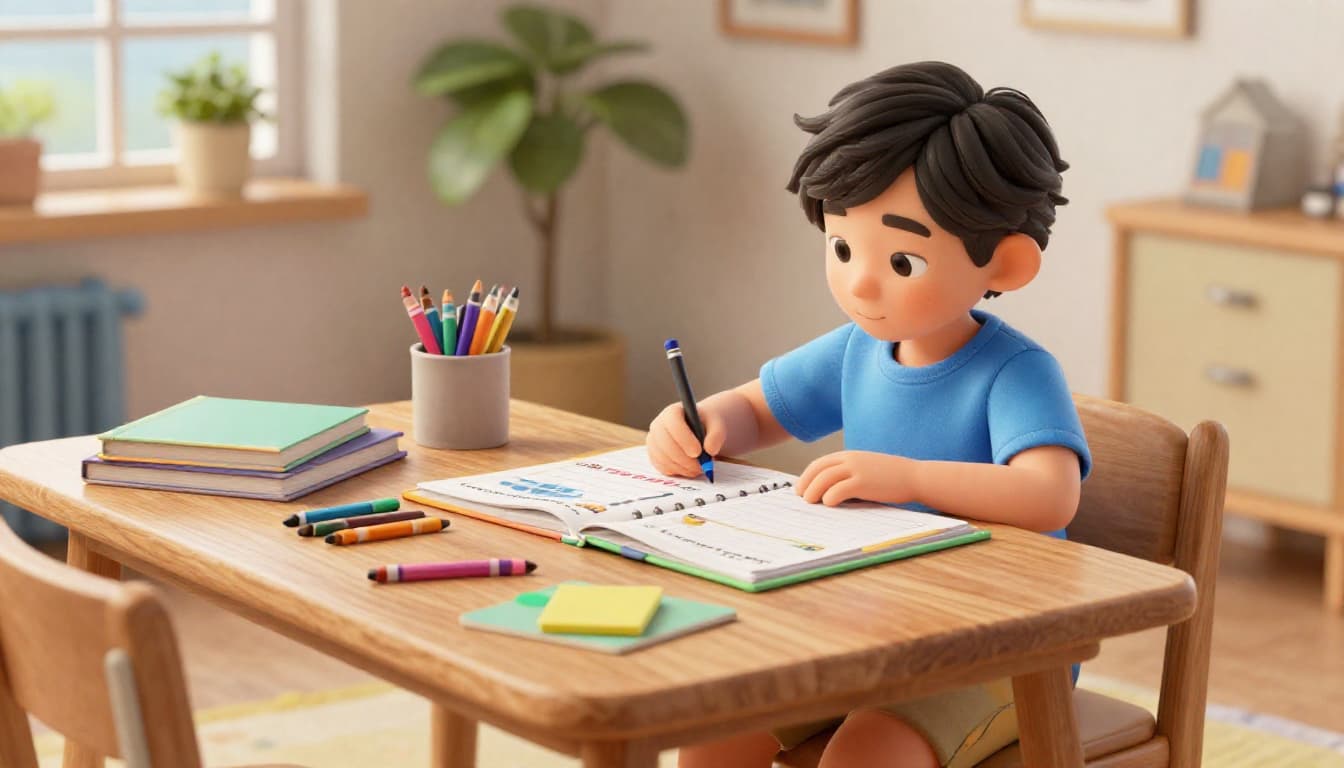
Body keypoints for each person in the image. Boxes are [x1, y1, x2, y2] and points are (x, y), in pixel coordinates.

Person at [648, 61, 1092, 768]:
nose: (860, 282)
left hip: (1004, 649)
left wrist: (909, 478)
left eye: (903, 261)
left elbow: (1050, 494)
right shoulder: (858, 348)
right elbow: (756, 411)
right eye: (843, 246)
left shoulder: (1017, 371)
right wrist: (703, 423)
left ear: (1005, 263)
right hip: (875, 626)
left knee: (867, 755)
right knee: (717, 723)